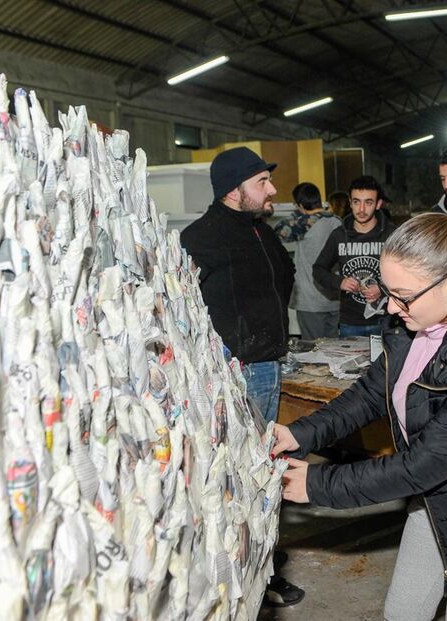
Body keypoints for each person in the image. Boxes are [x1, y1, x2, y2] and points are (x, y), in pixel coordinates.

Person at [272, 205, 447, 621]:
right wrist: (300, 434)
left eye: (402, 296)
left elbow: (424, 463)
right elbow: (369, 395)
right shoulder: (408, 327)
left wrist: (317, 484)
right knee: (402, 613)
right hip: (431, 502)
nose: (390, 307)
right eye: (388, 291)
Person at [179, 146, 304, 606]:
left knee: (261, 470)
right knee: (240, 475)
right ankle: (250, 575)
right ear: (235, 191)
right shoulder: (200, 238)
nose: (272, 189)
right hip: (238, 373)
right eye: (261, 182)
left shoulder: (258, 230)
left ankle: (261, 551)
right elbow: (182, 309)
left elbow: (282, 276)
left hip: (266, 366)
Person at [313, 176, 396, 337]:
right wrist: (340, 282)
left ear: (378, 204)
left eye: (369, 202)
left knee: (385, 363)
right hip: (350, 322)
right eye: (357, 202)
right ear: (350, 203)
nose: (362, 209)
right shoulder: (339, 235)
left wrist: (383, 289)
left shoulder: (392, 234)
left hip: (386, 320)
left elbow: (408, 273)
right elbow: (318, 269)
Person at [274, 182, 341, 339]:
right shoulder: (337, 221)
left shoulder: (301, 223)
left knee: (314, 353)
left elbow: (276, 234)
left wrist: (298, 213)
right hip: (335, 297)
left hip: (310, 300)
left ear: (300, 205)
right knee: (333, 349)